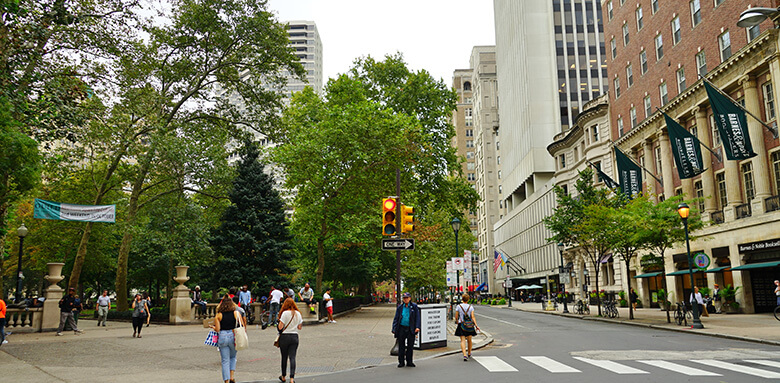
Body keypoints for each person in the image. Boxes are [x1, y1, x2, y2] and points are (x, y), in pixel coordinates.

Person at [211, 295, 242, 383]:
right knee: (233, 357)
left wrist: (212, 327)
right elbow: (241, 325)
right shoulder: (236, 313)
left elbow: (217, 329)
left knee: (225, 360)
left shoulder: (219, 315)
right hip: (233, 335)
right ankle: (232, 377)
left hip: (223, 336)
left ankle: (226, 380)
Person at [391, 292, 421, 368]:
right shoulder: (400, 307)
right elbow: (396, 318)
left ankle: (409, 361)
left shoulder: (414, 306)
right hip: (402, 328)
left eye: (407, 298)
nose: (406, 299)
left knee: (410, 346)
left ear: (410, 298)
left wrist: (417, 327)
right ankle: (401, 362)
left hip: (411, 328)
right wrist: (394, 328)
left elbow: (417, 317)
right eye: (404, 298)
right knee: (401, 346)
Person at [277, 298, 303, 383]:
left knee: (284, 357)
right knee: (292, 357)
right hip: (294, 336)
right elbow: (299, 327)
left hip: (285, 336)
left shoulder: (284, 313)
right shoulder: (298, 313)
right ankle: (292, 378)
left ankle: (283, 376)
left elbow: (280, 327)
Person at [455, 293, 479, 361]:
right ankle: (469, 353)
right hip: (469, 325)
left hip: (461, 324)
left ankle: (464, 355)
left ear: (462, 299)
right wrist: (476, 325)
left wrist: (457, 321)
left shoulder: (459, 306)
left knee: (462, 340)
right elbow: (473, 317)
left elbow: (456, 316)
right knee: (469, 340)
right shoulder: (470, 307)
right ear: (468, 299)